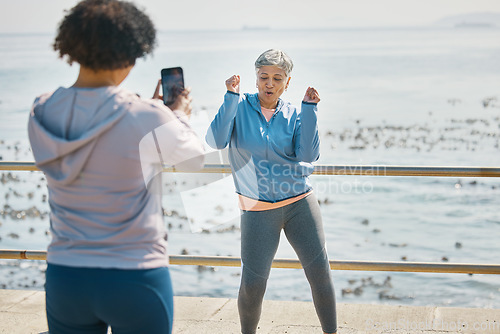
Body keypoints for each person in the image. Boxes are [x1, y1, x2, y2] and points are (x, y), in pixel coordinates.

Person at [27, 0, 204, 333]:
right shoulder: (149, 117)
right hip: (135, 275)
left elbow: (104, 131)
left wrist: (152, 112)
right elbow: (194, 160)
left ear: (72, 48)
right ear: (131, 54)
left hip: (66, 274)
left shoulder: (42, 109)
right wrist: (175, 114)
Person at [206, 49, 337, 334]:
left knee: (320, 275)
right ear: (255, 79)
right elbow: (216, 140)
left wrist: (310, 109)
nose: (269, 83)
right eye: (264, 77)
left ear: (286, 83)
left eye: (277, 78)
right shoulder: (239, 107)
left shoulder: (293, 113)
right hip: (257, 210)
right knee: (253, 284)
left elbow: (308, 155)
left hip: (300, 204)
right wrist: (229, 97)